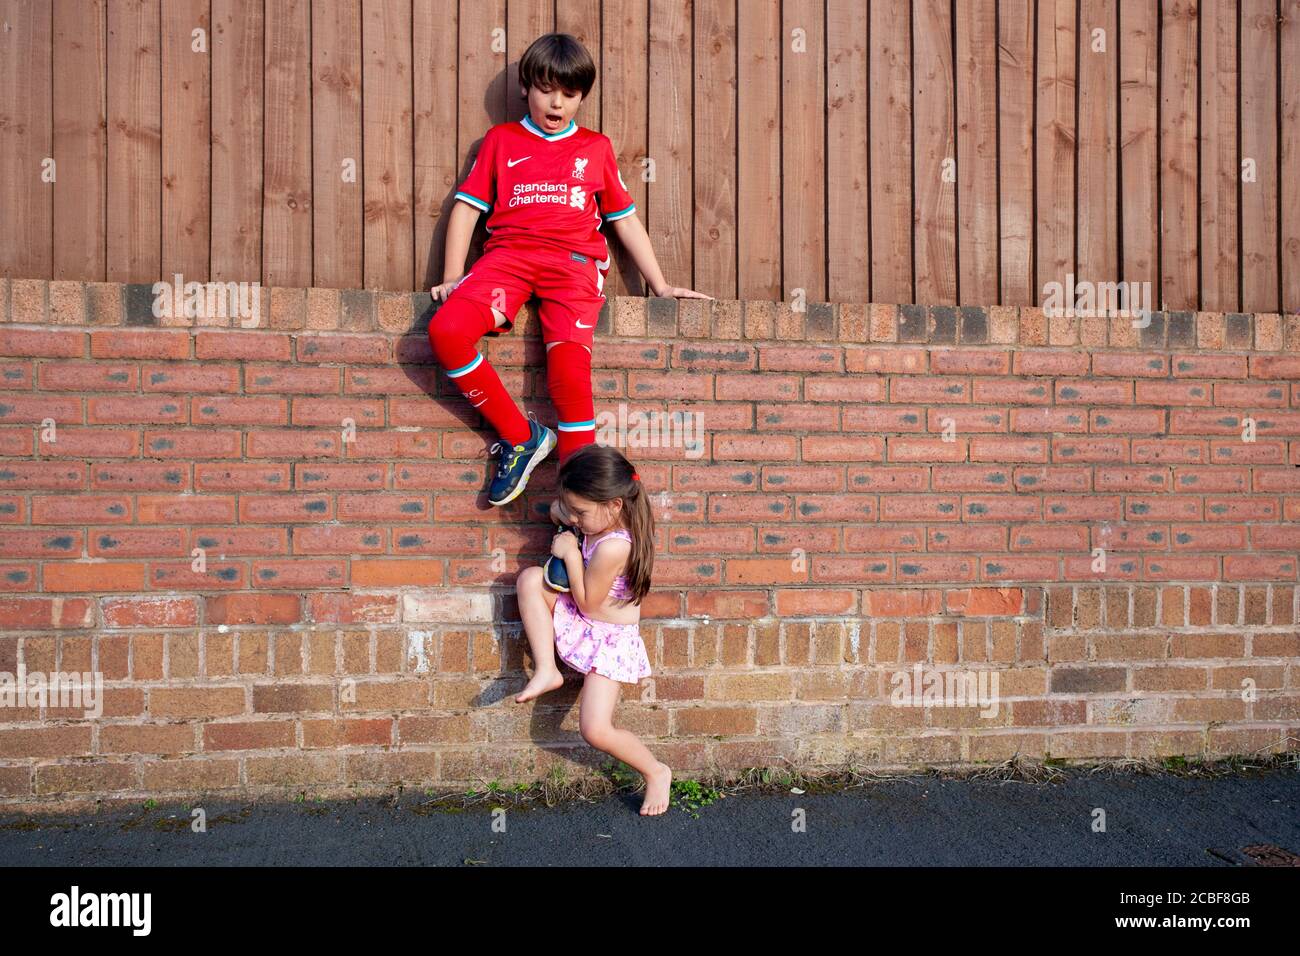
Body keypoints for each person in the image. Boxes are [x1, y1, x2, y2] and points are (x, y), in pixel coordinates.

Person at [428, 32, 710, 506]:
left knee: (569, 381)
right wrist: (455, 273)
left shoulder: (595, 148)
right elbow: (466, 208)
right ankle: (521, 438)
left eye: (569, 94)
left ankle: (579, 525)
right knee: (446, 333)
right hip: (508, 261)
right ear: (526, 88)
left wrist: (659, 285)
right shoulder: (501, 141)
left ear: (581, 96)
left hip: (573, 268)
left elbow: (625, 220)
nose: (556, 103)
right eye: (546, 89)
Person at [513, 444, 671, 816]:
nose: (575, 518)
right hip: (588, 623)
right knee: (531, 578)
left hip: (609, 641)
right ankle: (547, 669)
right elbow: (565, 511)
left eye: (581, 512)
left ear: (614, 505)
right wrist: (565, 513)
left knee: (595, 730)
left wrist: (570, 552)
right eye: (572, 510)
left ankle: (656, 770)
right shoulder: (599, 518)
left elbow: (587, 602)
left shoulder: (615, 546)